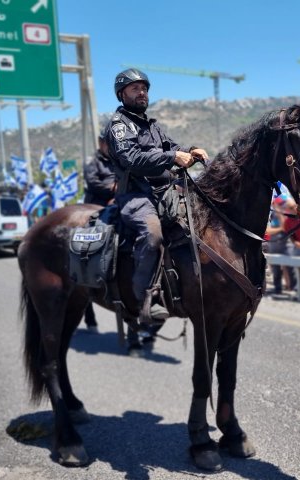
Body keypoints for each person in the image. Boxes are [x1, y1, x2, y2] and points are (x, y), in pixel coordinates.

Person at [104, 68, 208, 322]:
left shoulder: (152, 125)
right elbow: (132, 158)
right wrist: (172, 157)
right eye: (135, 88)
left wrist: (191, 151)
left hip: (164, 191)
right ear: (121, 94)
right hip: (136, 196)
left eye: (145, 88)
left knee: (199, 223)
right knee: (153, 236)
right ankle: (145, 298)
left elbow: (172, 147)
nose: (142, 92)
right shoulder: (119, 126)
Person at [79, 132, 118, 334]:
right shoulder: (92, 162)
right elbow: (94, 183)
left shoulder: (118, 159)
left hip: (117, 204)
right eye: (107, 142)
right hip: (96, 206)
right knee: (92, 246)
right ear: (100, 143)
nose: (110, 146)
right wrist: (114, 188)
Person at [265, 197, 297, 295]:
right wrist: (279, 229)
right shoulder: (269, 215)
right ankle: (278, 288)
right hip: (273, 245)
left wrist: (279, 213)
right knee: (276, 270)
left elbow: (285, 227)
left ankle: (295, 288)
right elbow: (267, 231)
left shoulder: (283, 215)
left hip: (286, 245)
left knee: (291, 267)